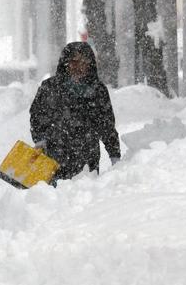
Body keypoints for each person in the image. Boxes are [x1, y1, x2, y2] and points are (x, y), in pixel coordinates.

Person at [29, 41, 121, 183]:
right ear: (65, 63)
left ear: (90, 65)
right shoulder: (49, 87)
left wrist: (115, 156)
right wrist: (40, 140)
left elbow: (107, 125)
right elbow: (37, 116)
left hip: (87, 163)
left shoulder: (98, 90)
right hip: (53, 159)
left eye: (84, 62)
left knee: (82, 201)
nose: (79, 67)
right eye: (74, 62)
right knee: (49, 201)